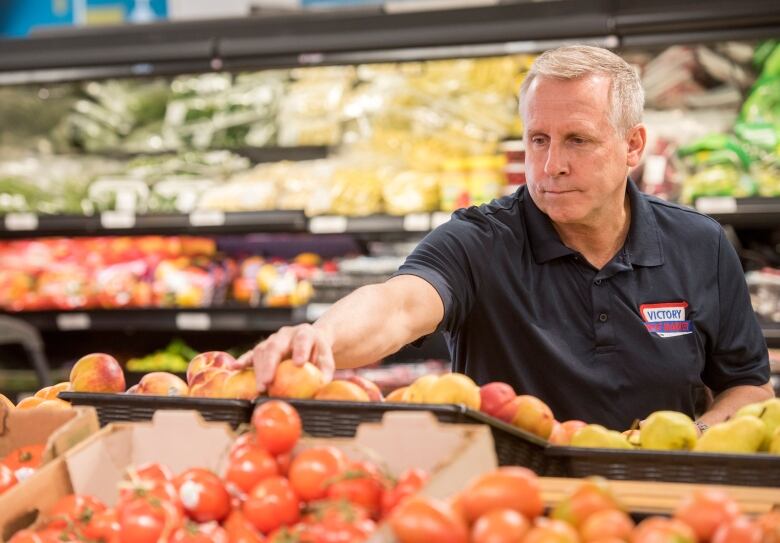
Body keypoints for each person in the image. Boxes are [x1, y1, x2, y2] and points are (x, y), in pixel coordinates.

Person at [239, 45, 774, 430]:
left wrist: (692, 440)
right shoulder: (480, 239)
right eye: (537, 140)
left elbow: (747, 385)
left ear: (633, 145)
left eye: (577, 141)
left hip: (666, 508)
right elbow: (397, 306)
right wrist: (320, 338)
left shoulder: (700, 244)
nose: (551, 165)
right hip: (508, 509)